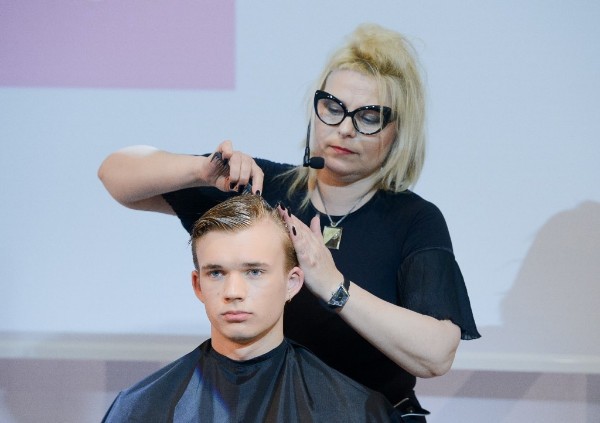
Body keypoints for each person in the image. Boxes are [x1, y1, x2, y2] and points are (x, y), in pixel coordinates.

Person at [98, 23, 480, 421]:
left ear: (398, 130)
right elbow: (115, 175)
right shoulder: (259, 188)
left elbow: (437, 354)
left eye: (368, 117)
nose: (344, 129)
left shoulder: (413, 220)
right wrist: (199, 171)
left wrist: (334, 286)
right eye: (333, 108)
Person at [102, 195, 403, 422]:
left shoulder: (355, 411)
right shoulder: (141, 408)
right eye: (216, 273)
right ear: (198, 285)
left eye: (254, 272)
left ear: (292, 283)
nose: (233, 292)